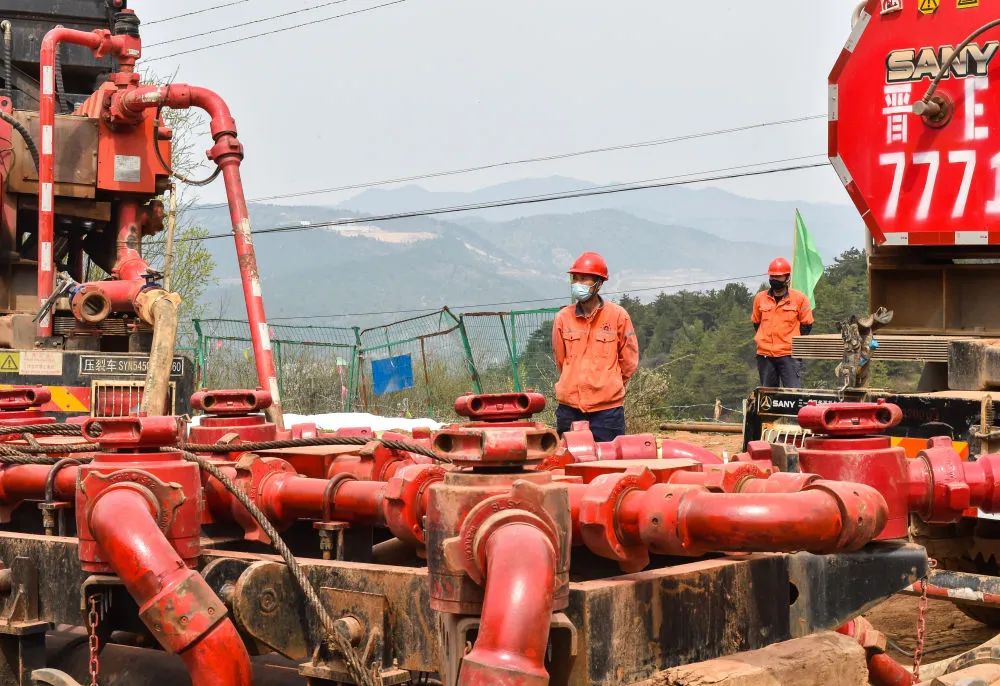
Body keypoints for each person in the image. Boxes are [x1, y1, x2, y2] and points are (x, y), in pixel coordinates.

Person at [551, 252, 639, 442]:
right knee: (569, 464)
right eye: (575, 278)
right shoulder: (563, 318)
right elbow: (560, 359)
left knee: (608, 465)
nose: (578, 283)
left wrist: (609, 382)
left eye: (584, 278)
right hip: (569, 410)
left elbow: (629, 361)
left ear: (598, 283)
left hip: (607, 413)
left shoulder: (618, 316)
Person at [751, 257, 814, 388]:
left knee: (793, 395)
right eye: (772, 276)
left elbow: (806, 325)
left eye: (778, 277)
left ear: (787, 278)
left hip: (789, 355)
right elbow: (756, 323)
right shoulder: (760, 298)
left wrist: (790, 344)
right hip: (765, 355)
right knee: (767, 398)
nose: (774, 279)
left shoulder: (800, 299)